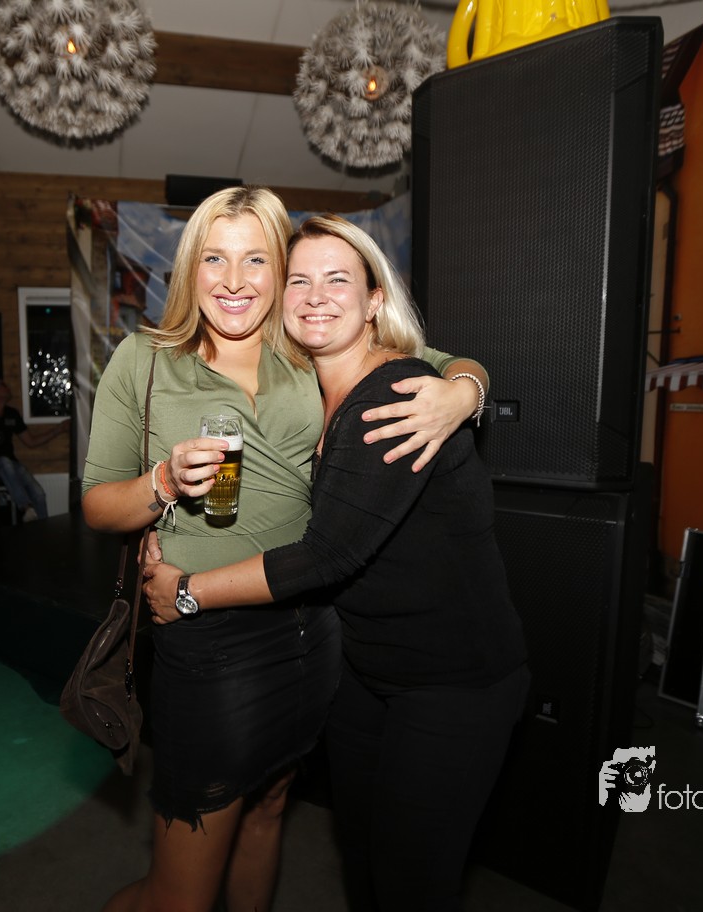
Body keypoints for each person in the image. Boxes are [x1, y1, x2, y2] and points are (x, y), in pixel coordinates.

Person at [81, 187, 488, 912]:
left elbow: (447, 361)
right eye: (214, 258)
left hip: (312, 629)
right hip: (206, 639)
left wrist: (462, 395)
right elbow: (97, 504)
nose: (233, 281)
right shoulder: (145, 360)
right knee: (180, 895)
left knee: (268, 812)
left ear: (279, 271)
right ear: (189, 268)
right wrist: (163, 482)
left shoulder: (307, 345)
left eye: (256, 261)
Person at [0, 376, 68, 520]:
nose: (7, 387)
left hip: (11, 464)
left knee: (38, 494)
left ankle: (43, 529)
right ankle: (26, 508)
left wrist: (59, 429)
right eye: (2, 385)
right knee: (3, 461)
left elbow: (31, 441)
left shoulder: (11, 414)